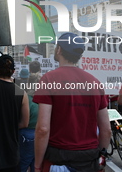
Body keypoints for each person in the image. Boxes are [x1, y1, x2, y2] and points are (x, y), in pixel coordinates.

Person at [33, 32, 111, 172]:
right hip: (89, 159)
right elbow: (106, 130)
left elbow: (43, 129)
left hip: (58, 158)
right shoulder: (95, 82)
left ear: (59, 50)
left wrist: (37, 165)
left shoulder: (49, 79)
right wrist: (102, 157)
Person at [19, 61, 41, 172]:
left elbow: (23, 120)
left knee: (23, 162)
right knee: (34, 163)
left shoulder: (25, 97)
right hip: (39, 133)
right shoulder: (44, 99)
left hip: (26, 133)